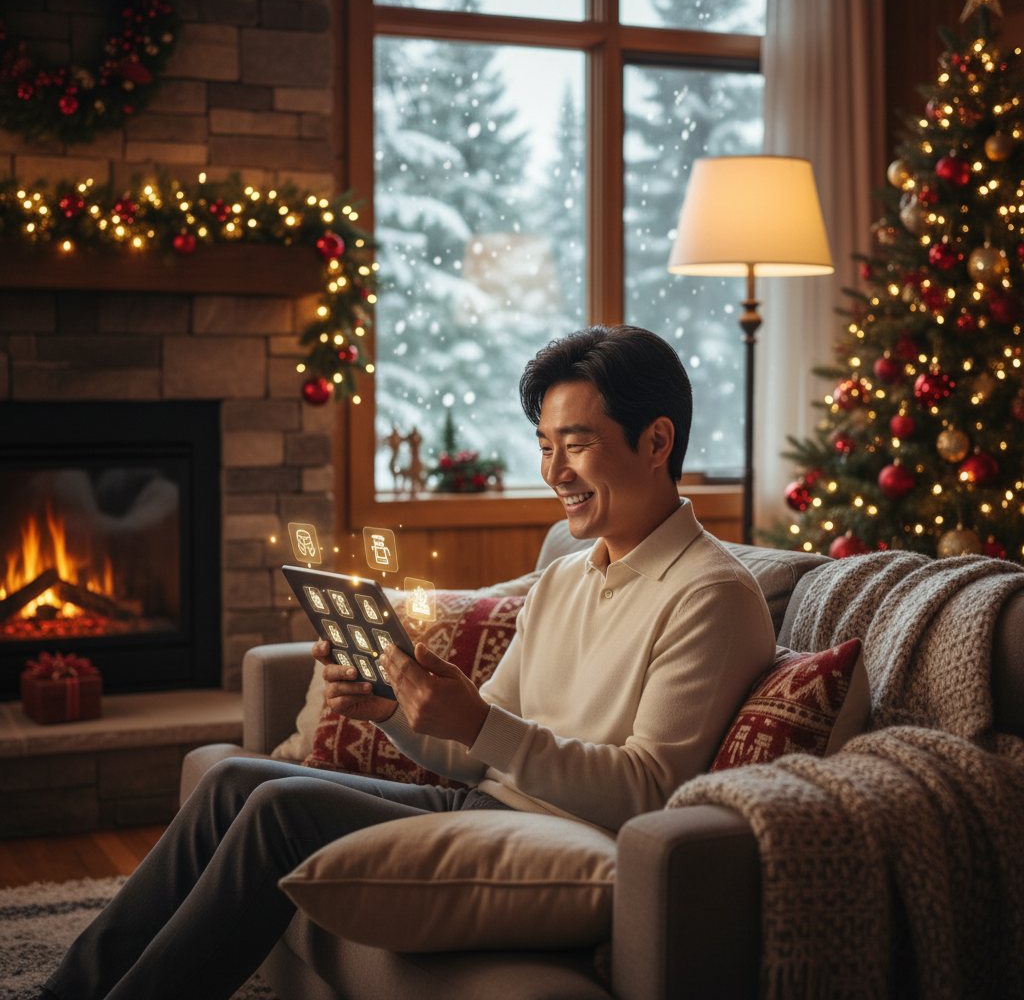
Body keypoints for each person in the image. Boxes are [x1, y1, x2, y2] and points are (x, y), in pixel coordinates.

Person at [39, 326, 774, 1000]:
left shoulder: (711, 595)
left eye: (575, 443)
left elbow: (648, 790)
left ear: (656, 441)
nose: (554, 470)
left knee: (278, 811)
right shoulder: (566, 577)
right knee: (236, 778)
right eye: (544, 444)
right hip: (492, 807)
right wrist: (398, 713)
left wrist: (484, 725)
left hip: (563, 838)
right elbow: (479, 754)